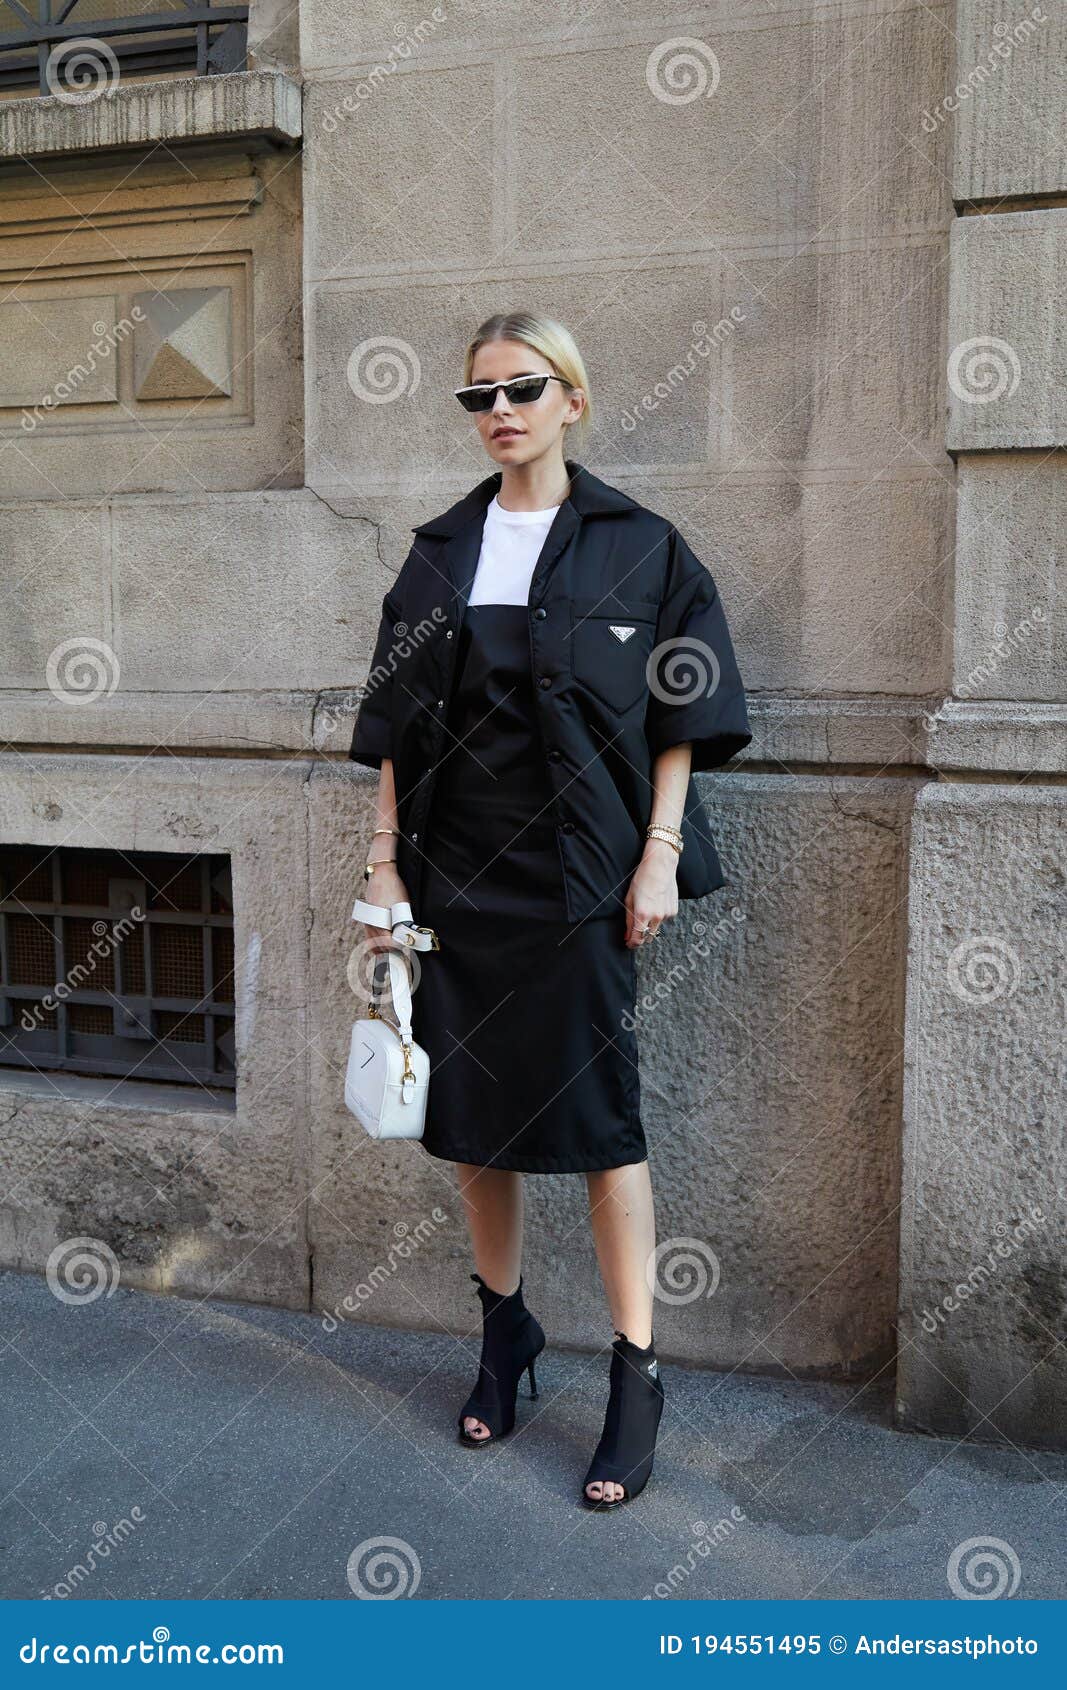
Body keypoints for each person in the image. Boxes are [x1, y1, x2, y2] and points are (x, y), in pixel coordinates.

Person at [349, 311, 751, 1509]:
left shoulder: (644, 549)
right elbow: (391, 727)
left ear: (572, 398)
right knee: (473, 1123)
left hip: (584, 879)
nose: (499, 412)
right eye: (477, 397)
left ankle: (634, 1372)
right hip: (458, 873)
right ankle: (505, 1334)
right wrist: (381, 867)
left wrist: (657, 858)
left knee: (596, 1124)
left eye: (522, 389)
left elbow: (682, 718)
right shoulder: (437, 554)